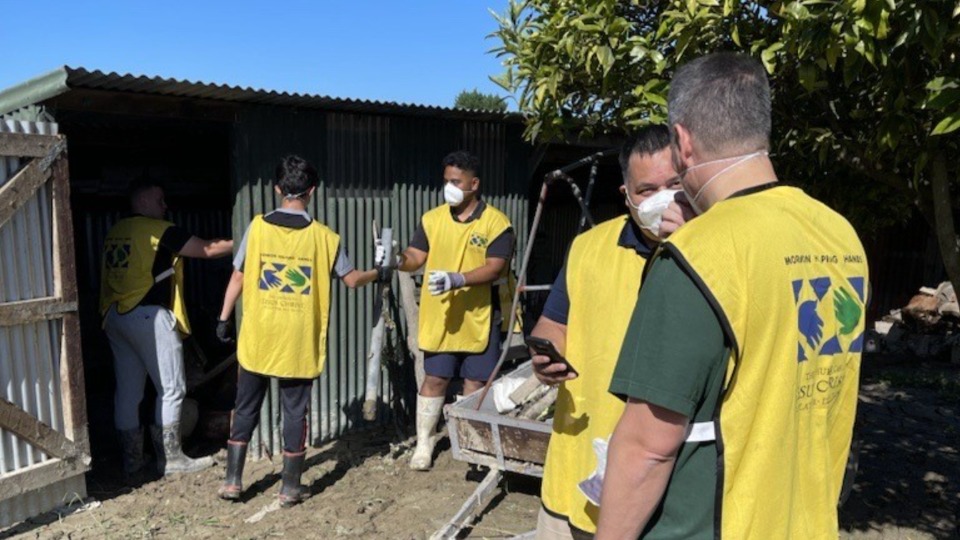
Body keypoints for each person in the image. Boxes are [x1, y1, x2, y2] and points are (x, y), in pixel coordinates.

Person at [595, 52, 869, 539]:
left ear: (682, 141)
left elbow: (648, 447)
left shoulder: (697, 256)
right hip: (807, 522)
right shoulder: (839, 236)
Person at [529, 125, 686, 539]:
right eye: (647, 189)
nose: (662, 199)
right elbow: (553, 322)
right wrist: (547, 357)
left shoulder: (714, 251)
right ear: (627, 196)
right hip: (580, 458)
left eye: (674, 184)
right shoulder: (589, 247)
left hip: (668, 477)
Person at [215, 155, 386, 506]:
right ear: (313, 191)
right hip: (298, 340)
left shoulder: (257, 227)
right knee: (295, 411)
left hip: (259, 337)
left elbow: (239, 275)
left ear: (278, 189)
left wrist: (223, 318)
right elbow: (352, 281)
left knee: (245, 407)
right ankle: (290, 487)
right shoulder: (326, 238)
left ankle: (232, 482)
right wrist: (379, 273)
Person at [100, 176, 233, 477]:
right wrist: (246, 240)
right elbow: (208, 250)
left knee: (128, 391)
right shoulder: (160, 231)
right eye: (160, 200)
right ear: (144, 202)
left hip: (116, 317)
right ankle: (172, 459)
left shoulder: (116, 231)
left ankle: (132, 461)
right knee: (172, 388)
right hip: (150, 317)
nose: (166, 205)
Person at [396, 150, 516, 471]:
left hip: (479, 316)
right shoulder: (432, 219)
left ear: (473, 184)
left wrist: (458, 279)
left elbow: (496, 268)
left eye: (455, 182)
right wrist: (396, 259)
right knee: (435, 378)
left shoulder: (497, 223)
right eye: (446, 180)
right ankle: (424, 443)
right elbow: (415, 256)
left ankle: (472, 445)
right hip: (442, 316)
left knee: (475, 383)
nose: (448, 187)